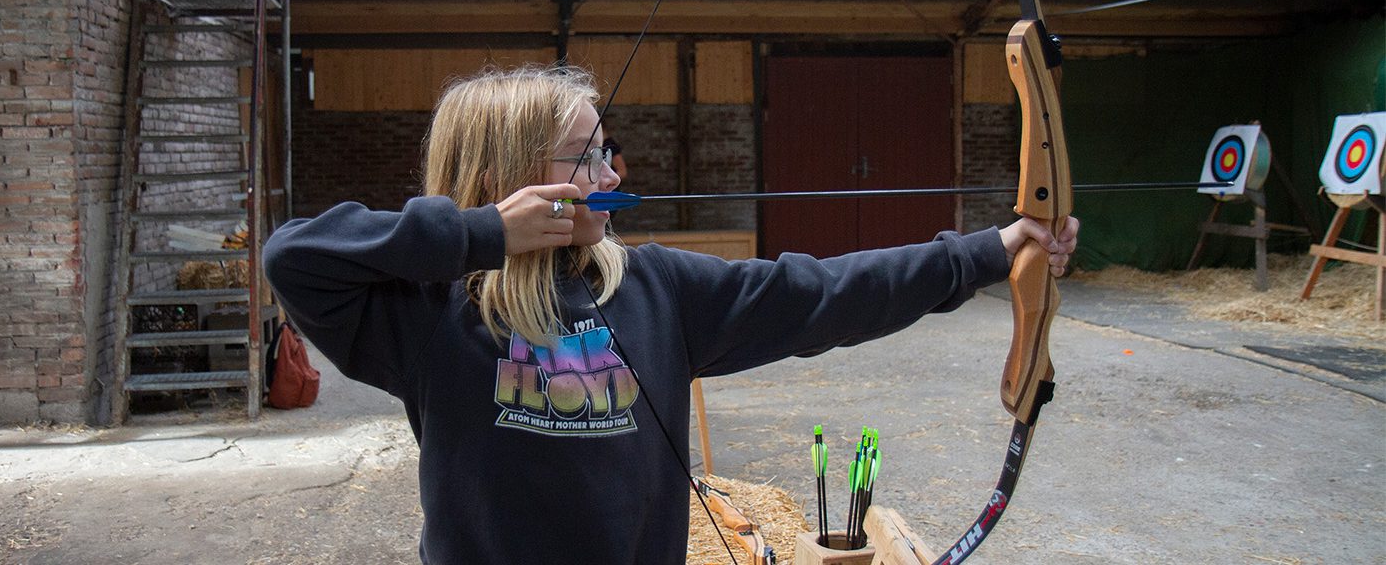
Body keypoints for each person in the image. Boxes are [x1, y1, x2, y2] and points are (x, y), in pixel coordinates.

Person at [262, 65, 1078, 565]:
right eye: (584, 155)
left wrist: (993, 251)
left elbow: (823, 294)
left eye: (606, 147)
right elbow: (293, 258)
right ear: (513, 176)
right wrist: (483, 234)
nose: (610, 170)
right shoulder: (430, 317)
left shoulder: (657, 291)